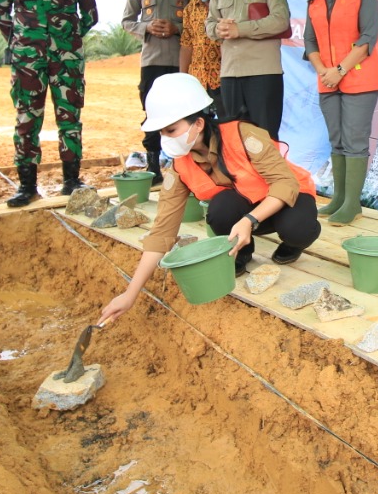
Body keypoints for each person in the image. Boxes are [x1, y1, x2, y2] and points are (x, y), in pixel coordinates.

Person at [98, 73, 320, 322]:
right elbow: (162, 231)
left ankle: (293, 244)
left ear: (198, 124)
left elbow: (285, 183)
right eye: (162, 132)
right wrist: (130, 294)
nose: (166, 139)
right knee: (220, 209)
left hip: (288, 197)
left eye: (172, 130)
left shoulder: (244, 135)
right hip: (250, 208)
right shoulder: (180, 166)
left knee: (297, 228)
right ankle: (242, 253)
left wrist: (249, 220)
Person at [0, 0, 98, 206]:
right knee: (27, 119)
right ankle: (27, 186)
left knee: (70, 119)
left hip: (67, 61)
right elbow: (0, 14)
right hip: (28, 62)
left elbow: (90, 14)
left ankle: (71, 180)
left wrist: (68, 40)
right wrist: (23, 42)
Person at [299, 0, 378, 227]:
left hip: (359, 79)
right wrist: (323, 70)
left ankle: (352, 204)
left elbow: (368, 36)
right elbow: (310, 41)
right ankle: (339, 198)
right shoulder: (315, 0)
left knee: (354, 141)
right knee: (336, 140)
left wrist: (339, 70)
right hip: (327, 80)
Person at [205, 0, 290, 140]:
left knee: (266, 139)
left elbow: (280, 20)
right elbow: (209, 24)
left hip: (263, 72)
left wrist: (239, 29)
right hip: (230, 73)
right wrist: (218, 29)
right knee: (235, 140)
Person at [121, 0, 191, 176]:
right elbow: (127, 21)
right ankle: (153, 167)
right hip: (151, 61)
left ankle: (184, 167)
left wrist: (177, 28)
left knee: (184, 112)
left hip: (180, 60)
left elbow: (199, 22)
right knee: (152, 112)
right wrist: (147, 27)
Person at [179, 0, 223, 110]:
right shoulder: (189, 10)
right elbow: (186, 45)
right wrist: (183, 78)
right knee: (200, 123)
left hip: (223, 79)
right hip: (197, 81)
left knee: (228, 121)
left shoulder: (227, 6)